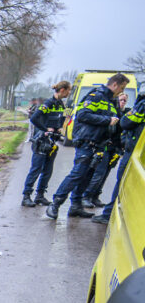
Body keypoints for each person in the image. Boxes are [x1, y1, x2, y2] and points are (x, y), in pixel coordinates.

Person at [47, 73, 129, 220]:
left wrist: (118, 146)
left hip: (99, 144)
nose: (122, 91)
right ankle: (55, 204)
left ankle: (75, 206)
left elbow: (115, 125)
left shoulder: (113, 101)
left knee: (87, 176)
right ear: (115, 84)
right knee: (78, 173)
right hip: (86, 142)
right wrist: (106, 120)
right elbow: (83, 115)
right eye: (122, 87)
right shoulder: (96, 96)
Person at [94, 87, 145, 224]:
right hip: (139, 151)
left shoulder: (143, 104)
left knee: (122, 181)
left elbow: (126, 123)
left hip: (134, 151)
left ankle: (108, 215)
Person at [22, 82, 70, 207]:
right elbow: (34, 119)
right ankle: (26, 196)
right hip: (42, 141)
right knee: (36, 169)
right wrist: (45, 129)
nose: (69, 93)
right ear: (63, 90)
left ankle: (40, 196)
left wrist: (59, 128)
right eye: (68, 91)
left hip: (52, 142)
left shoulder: (60, 104)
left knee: (47, 171)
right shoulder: (48, 103)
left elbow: (60, 119)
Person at [83, 92, 128, 209]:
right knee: (99, 173)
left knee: (105, 174)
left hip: (115, 148)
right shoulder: (112, 113)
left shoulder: (124, 114)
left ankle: (95, 196)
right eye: (121, 100)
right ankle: (86, 196)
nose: (122, 102)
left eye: (124, 101)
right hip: (105, 146)